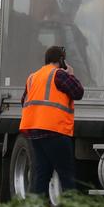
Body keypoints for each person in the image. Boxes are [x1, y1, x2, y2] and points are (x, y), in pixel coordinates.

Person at [19, 46, 84, 196]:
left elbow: (25, 101)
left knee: (42, 174)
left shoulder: (33, 77)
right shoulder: (59, 75)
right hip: (55, 131)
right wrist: (72, 75)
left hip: (35, 132)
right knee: (66, 175)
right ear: (61, 60)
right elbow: (78, 92)